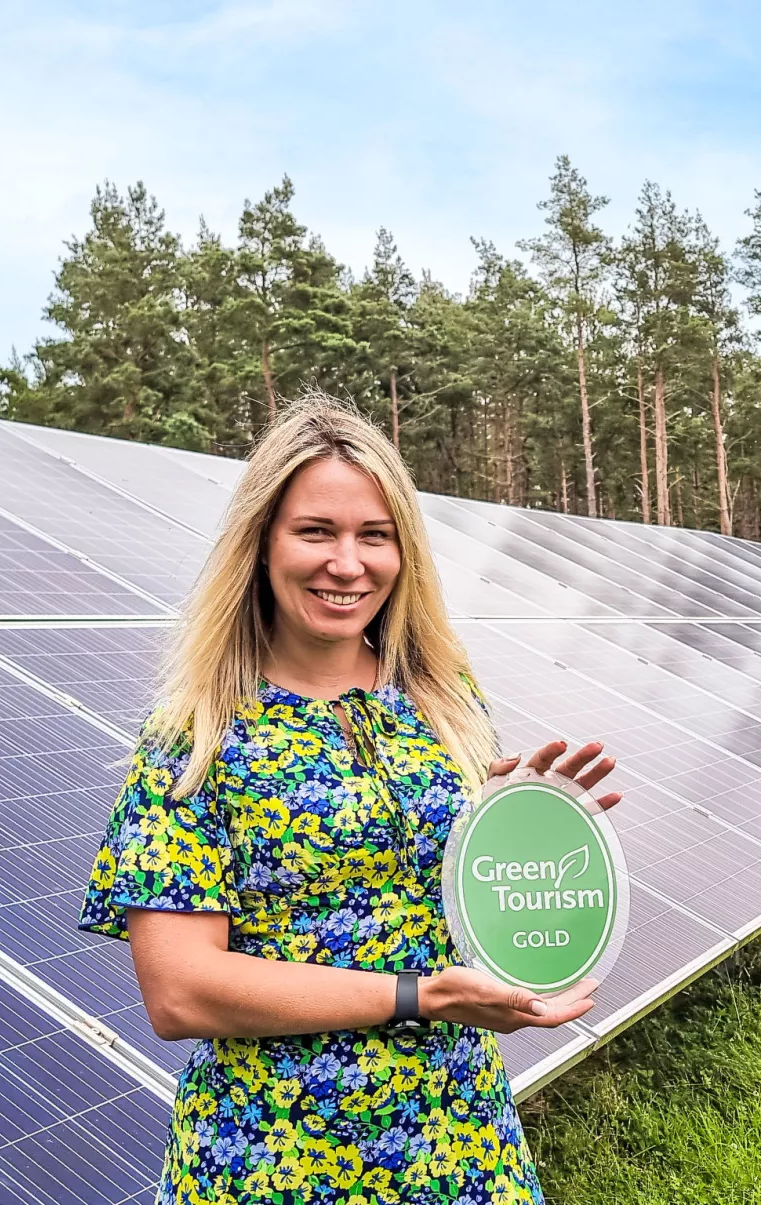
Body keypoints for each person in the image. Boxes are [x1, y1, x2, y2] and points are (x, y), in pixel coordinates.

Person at [79, 394, 622, 1204]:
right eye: (316, 532)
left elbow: (455, 898)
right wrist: (417, 995)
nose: (348, 563)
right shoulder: (195, 736)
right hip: (273, 1160)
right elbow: (179, 991)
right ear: (260, 543)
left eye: (375, 535)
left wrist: (524, 819)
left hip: (464, 1147)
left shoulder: (441, 698)